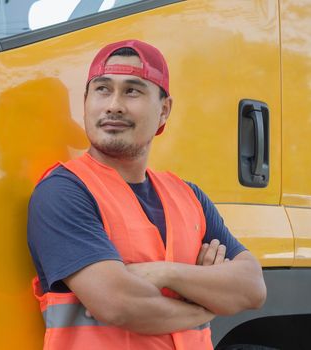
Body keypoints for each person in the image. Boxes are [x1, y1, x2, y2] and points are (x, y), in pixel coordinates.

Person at [27, 39, 266, 349]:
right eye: (102, 89)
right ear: (86, 102)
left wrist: (165, 273)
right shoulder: (64, 192)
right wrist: (207, 303)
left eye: (132, 91)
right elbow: (118, 303)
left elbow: (252, 287)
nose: (113, 104)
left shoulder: (188, 196)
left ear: (164, 110)